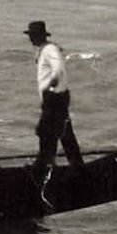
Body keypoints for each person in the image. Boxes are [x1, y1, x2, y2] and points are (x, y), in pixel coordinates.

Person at [24, 20, 83, 181]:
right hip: (55, 97)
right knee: (64, 132)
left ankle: (42, 168)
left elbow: (57, 69)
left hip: (55, 97)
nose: (31, 39)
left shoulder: (50, 50)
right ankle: (76, 165)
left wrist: (52, 84)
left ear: (38, 36)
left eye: (32, 36)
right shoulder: (44, 50)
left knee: (45, 131)